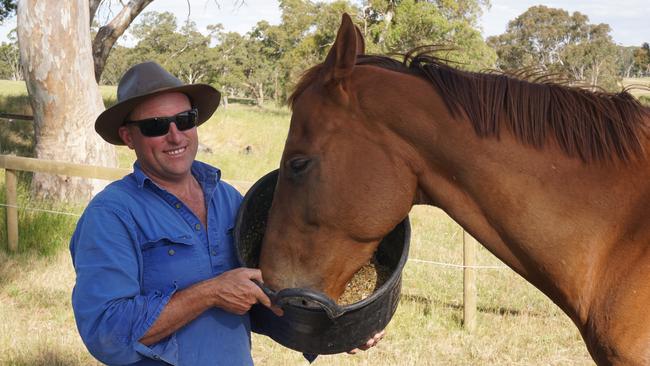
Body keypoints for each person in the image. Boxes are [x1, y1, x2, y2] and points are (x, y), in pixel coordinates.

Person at [70, 61, 382, 366]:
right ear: (128, 137)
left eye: (185, 119)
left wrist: (339, 330)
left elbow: (266, 296)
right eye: (156, 126)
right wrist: (210, 293)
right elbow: (106, 332)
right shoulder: (111, 216)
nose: (175, 135)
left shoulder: (228, 200)